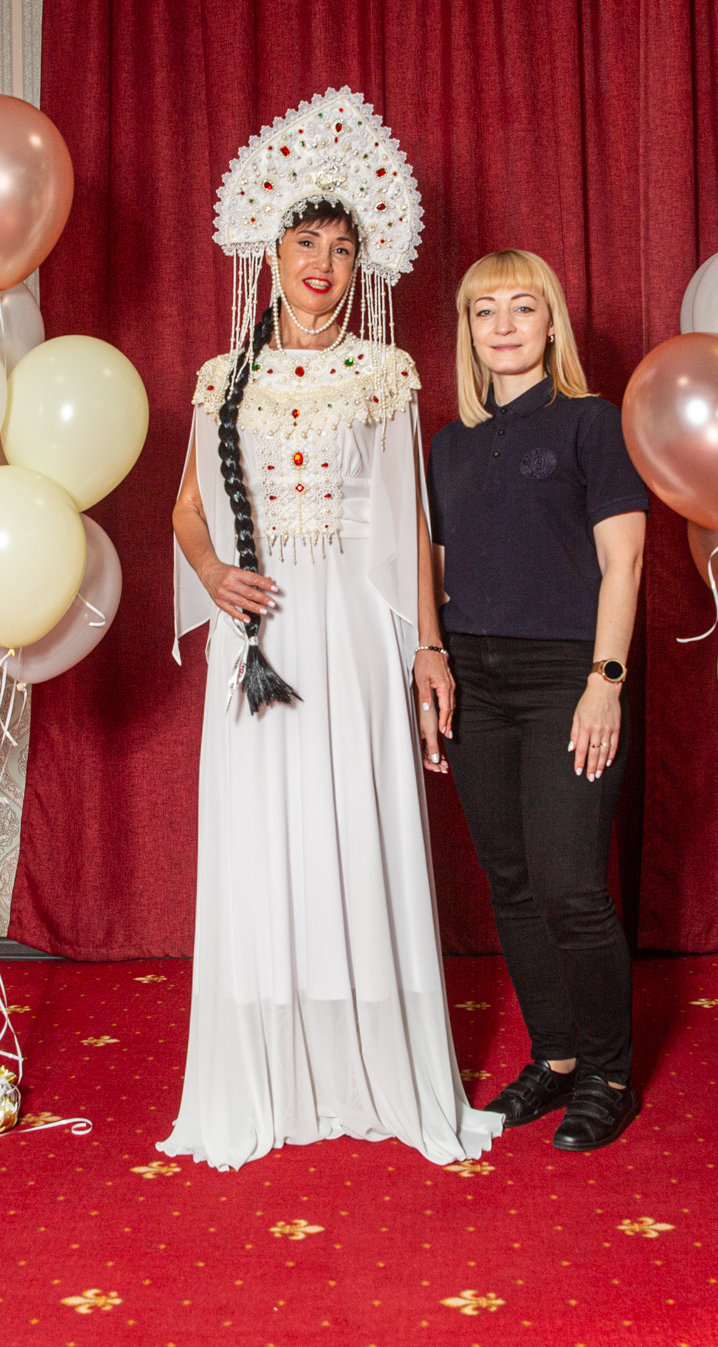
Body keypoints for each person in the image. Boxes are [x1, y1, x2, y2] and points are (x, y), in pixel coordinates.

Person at [164, 87, 502, 1171]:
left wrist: (427, 648)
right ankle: (274, 1063)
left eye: (342, 248)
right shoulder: (223, 377)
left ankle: (372, 1059)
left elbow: (411, 519)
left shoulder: (384, 372)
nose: (322, 262)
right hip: (258, 635)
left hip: (355, 631)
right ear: (271, 253)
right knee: (266, 837)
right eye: (306, 242)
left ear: (363, 266)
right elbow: (185, 509)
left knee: (354, 824)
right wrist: (213, 572)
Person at [427, 250, 648, 1151]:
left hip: (566, 678)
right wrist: (430, 662)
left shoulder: (592, 423)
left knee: (571, 887)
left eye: (524, 307)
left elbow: (624, 562)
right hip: (474, 681)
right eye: (486, 311)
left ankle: (609, 1074)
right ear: (468, 332)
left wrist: (605, 683)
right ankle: (554, 1058)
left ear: (552, 323)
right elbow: (437, 572)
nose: (505, 325)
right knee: (511, 882)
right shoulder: (448, 445)